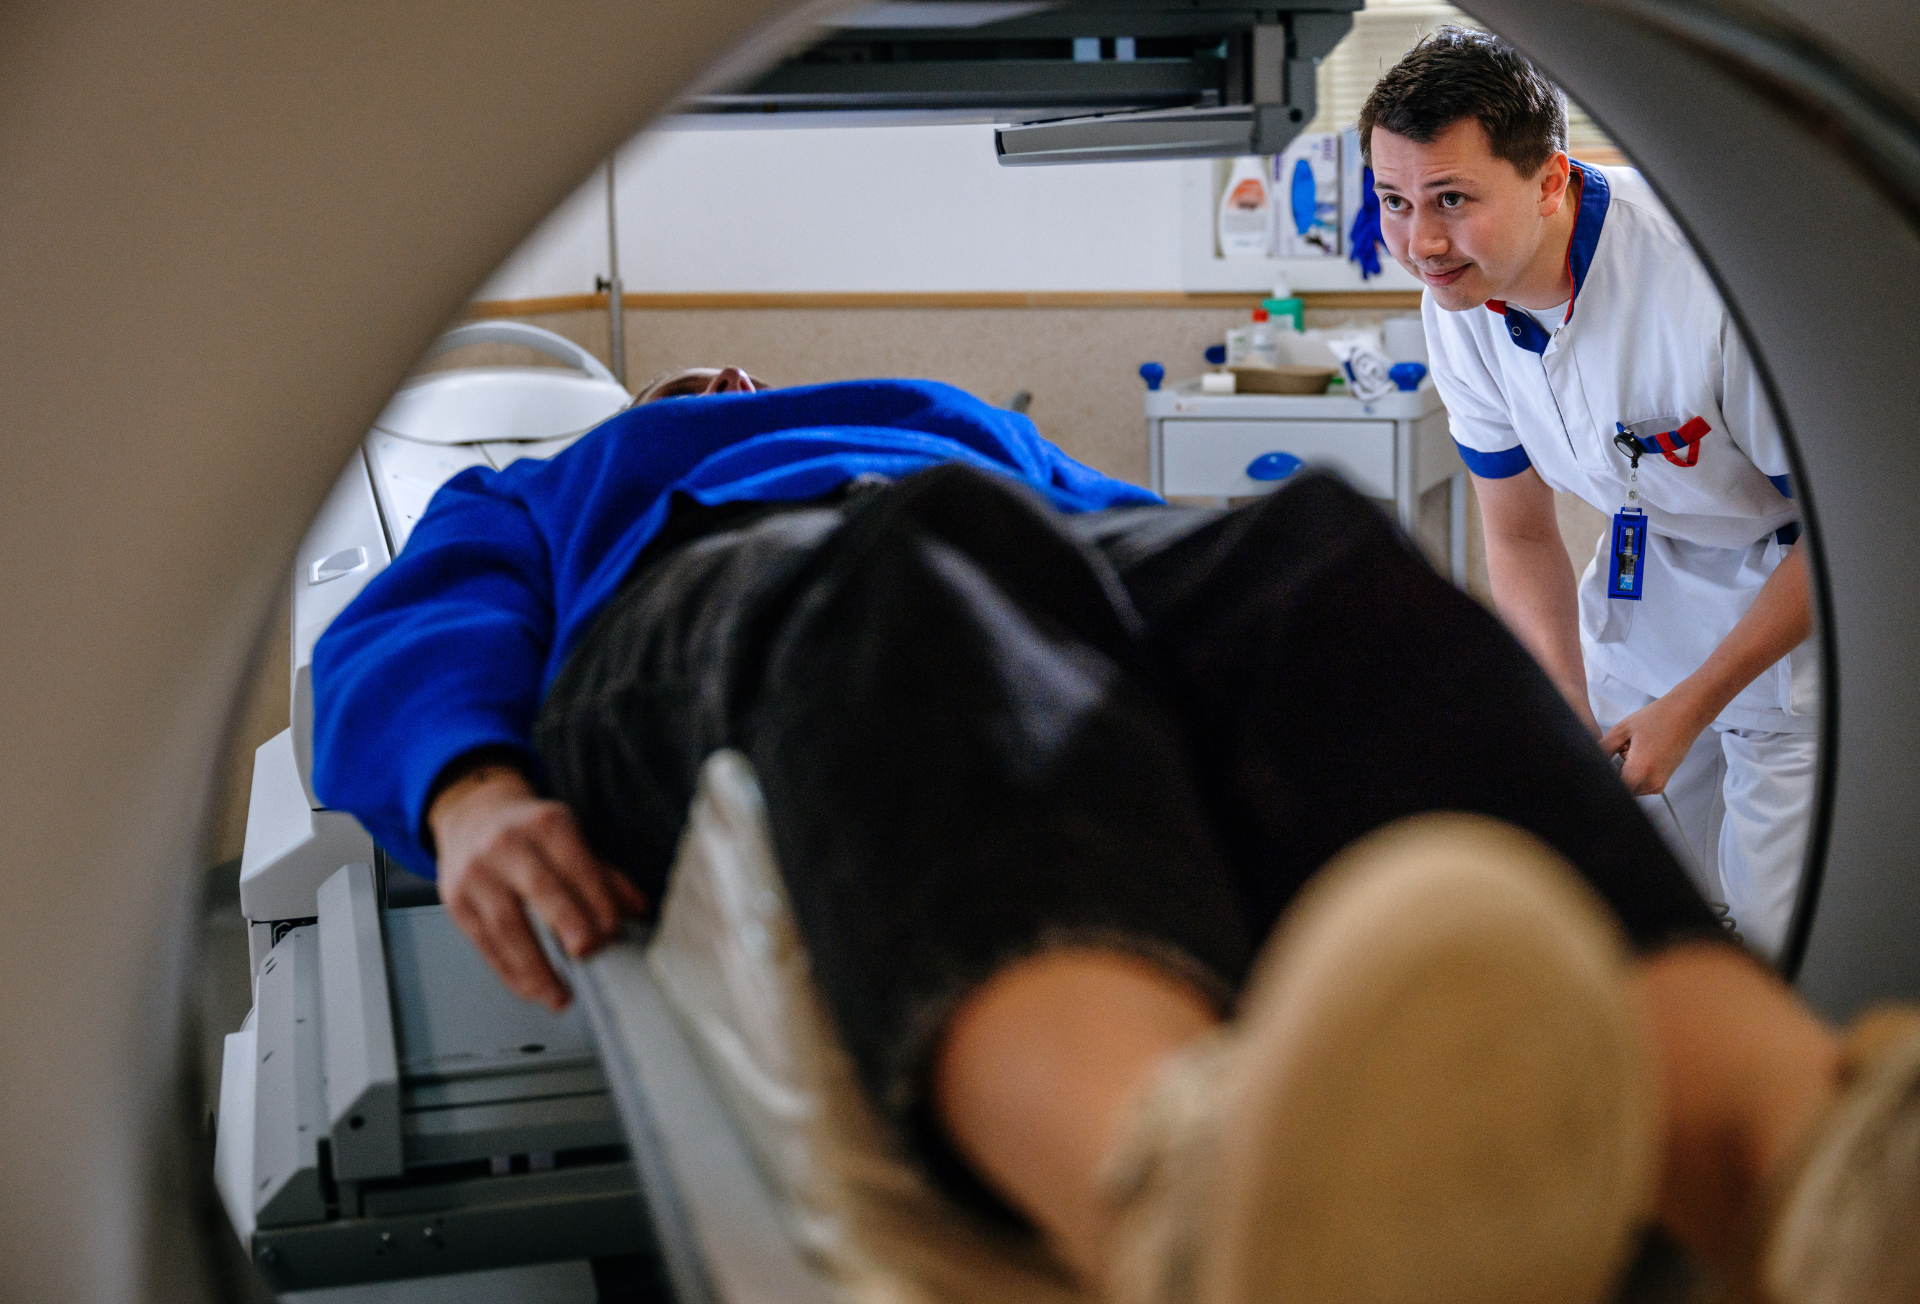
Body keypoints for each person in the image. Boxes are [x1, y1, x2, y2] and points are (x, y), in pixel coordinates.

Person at [313, 371, 1914, 1304]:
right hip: (719, 607)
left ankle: (1795, 1156)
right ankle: (1177, 1187)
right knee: (912, 562)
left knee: (1314, 561)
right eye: (699, 385)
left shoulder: (938, 413)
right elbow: (396, 636)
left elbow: (1126, 567)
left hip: (1043, 547)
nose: (726, 386)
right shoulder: (567, 479)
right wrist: (476, 792)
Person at [1361, 27, 1817, 959]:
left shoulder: (1709, 285)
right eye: (1395, 201)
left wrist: (1692, 704)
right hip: (1645, 595)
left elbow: (1847, 542)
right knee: (1621, 907)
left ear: (1551, 181)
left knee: (1784, 933)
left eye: (1452, 198)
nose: (1422, 242)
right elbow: (1522, 537)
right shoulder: (1458, 303)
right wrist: (1564, 710)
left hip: (1792, 605)